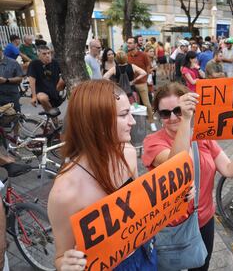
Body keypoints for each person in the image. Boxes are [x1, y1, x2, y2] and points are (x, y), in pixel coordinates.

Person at [142, 83, 233, 271]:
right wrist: (185, 120)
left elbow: (228, 169)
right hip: (170, 225)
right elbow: (176, 162)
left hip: (203, 219)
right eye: (165, 114)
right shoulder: (152, 142)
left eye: (178, 110)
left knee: (202, 266)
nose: (172, 118)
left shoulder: (203, 136)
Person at [48, 80, 157, 270]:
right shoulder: (64, 193)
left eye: (130, 112)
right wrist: (65, 265)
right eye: (124, 115)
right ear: (97, 123)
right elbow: (61, 256)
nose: (132, 121)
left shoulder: (128, 153)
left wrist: (178, 194)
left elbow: (139, 205)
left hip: (143, 251)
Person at [127, 36, 157, 132]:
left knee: (147, 104)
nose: (128, 44)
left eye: (131, 43)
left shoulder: (143, 55)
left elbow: (148, 68)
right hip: (131, 84)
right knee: (135, 104)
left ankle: (151, 122)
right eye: (128, 43)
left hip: (142, 83)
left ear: (136, 44)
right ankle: (139, 123)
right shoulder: (127, 55)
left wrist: (146, 79)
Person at [27, 45, 65, 112]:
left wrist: (61, 83)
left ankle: (52, 116)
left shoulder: (55, 63)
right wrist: (34, 96)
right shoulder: (34, 64)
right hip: (41, 91)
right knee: (43, 98)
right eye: (44, 54)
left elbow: (64, 74)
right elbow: (32, 80)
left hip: (54, 91)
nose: (47, 55)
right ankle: (52, 115)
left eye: (48, 53)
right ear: (39, 55)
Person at [0, 45, 24, 113]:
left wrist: (6, 80)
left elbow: (20, 78)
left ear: (1, 51)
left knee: (15, 118)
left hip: (11, 96)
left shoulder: (13, 63)